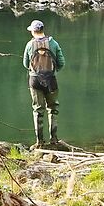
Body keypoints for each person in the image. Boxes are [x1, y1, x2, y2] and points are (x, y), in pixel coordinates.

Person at [22, 19, 66, 149]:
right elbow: (61, 62)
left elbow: (25, 64)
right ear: (42, 30)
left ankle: (39, 142)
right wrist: (52, 72)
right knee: (53, 108)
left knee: (38, 110)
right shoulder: (53, 43)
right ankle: (54, 139)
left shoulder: (30, 45)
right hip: (51, 80)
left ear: (33, 32)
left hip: (35, 80)